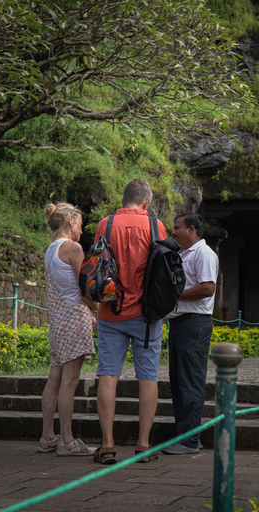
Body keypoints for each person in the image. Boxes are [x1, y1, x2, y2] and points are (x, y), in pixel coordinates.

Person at [93, 179, 167, 464]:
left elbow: (97, 264)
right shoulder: (154, 226)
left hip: (110, 312)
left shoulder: (105, 224)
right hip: (146, 315)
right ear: (146, 202)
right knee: (147, 377)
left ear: (123, 199)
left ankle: (108, 446)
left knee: (108, 375)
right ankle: (143, 444)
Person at [39, 202, 97, 456]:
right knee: (70, 381)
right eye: (80, 225)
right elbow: (84, 289)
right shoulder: (73, 248)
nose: (81, 231)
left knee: (55, 378)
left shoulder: (50, 250)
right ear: (70, 221)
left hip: (58, 322)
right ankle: (67, 441)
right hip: (74, 320)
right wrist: (97, 309)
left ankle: (47, 436)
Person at [162, 212, 219, 455]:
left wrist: (174, 294)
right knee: (179, 382)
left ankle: (190, 440)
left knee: (190, 382)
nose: (173, 232)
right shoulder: (185, 253)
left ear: (192, 230)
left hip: (194, 324)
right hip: (180, 323)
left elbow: (208, 288)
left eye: (177, 228)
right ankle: (184, 435)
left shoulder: (204, 253)